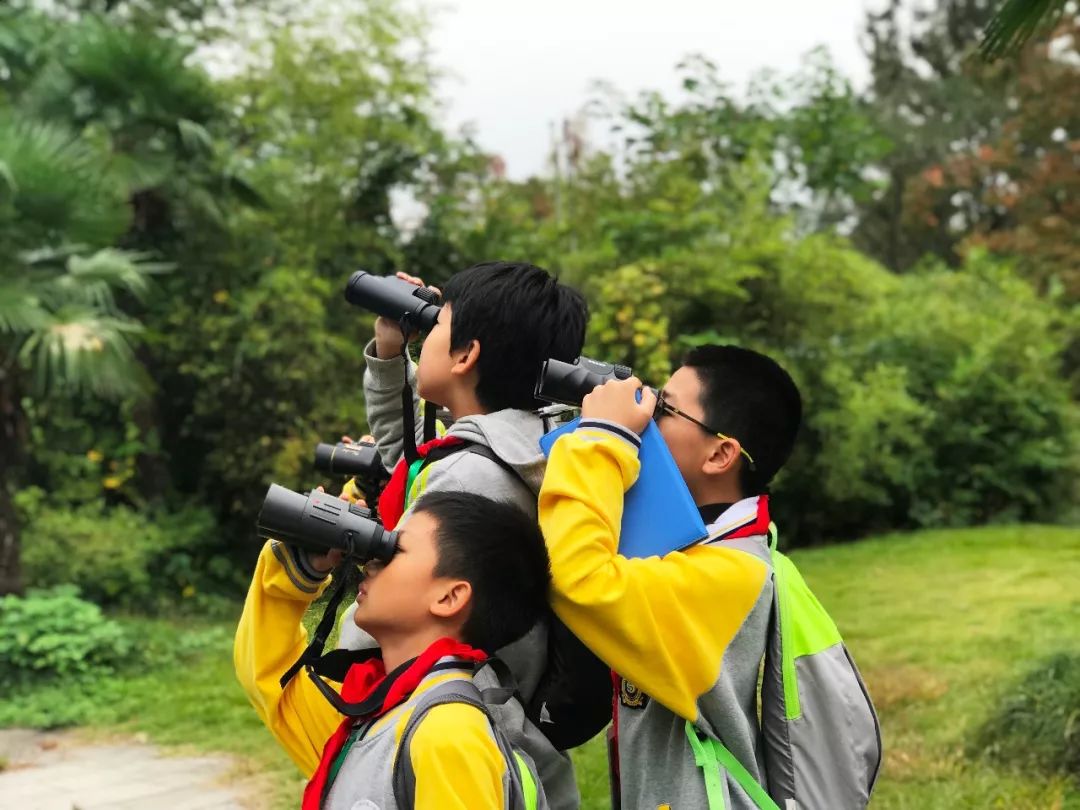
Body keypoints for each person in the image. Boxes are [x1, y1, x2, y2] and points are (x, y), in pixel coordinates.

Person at [337, 262, 607, 808]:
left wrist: (343, 660)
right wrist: (393, 355)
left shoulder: (471, 475)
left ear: (466, 356)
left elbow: (399, 603)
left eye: (437, 326)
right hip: (493, 719)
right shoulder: (525, 445)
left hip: (450, 731)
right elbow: (409, 464)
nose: (426, 333)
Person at [537, 345, 803, 809]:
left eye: (664, 407)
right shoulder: (699, 547)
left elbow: (577, 577)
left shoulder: (731, 571)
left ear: (721, 454)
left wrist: (604, 435)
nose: (646, 416)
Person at [234, 491, 552, 809]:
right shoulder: (380, 720)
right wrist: (297, 565)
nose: (370, 563)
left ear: (449, 597)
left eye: (394, 549)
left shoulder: (447, 735)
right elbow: (275, 678)